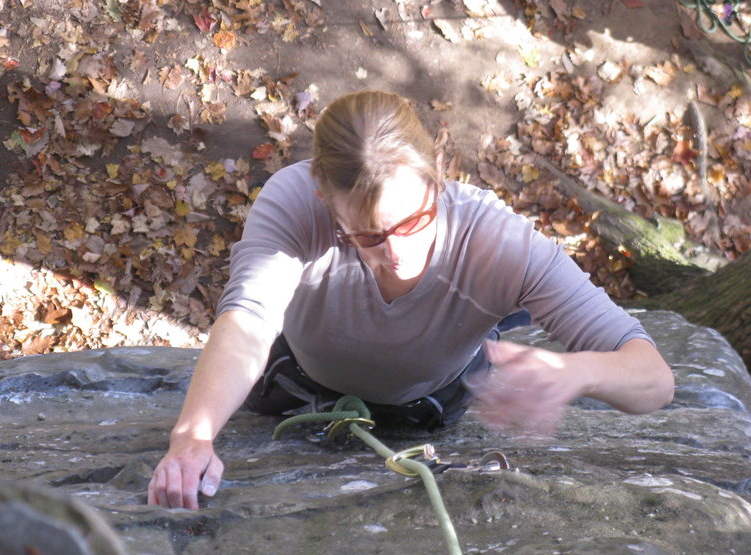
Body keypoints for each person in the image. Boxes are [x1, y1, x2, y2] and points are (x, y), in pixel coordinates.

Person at [147, 90, 674, 509]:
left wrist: (577, 373)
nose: (397, 255)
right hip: (296, 378)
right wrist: (193, 436)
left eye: (415, 221)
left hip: (428, 403)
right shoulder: (294, 203)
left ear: (437, 177)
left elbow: (654, 379)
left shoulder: (497, 242)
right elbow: (248, 321)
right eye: (369, 236)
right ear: (325, 197)